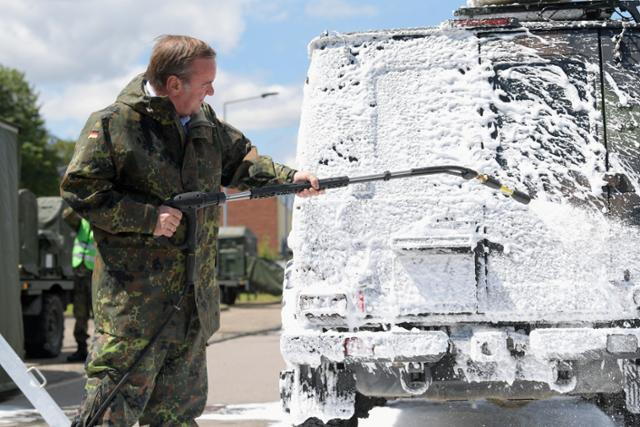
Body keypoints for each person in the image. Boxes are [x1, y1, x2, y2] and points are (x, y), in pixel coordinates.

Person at [60, 34, 320, 426]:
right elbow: (81, 191)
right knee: (111, 411)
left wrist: (291, 178)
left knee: (178, 415)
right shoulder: (115, 124)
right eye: (205, 83)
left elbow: (243, 163)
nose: (212, 91)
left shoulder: (204, 123)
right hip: (136, 309)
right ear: (174, 83)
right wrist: (149, 218)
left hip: (191, 304)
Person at [63, 208, 95, 363]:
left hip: (96, 275)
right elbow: (67, 215)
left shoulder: (104, 221)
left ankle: (98, 351)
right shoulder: (79, 222)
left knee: (100, 315)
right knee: (80, 314)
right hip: (80, 274)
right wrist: (82, 202)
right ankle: (81, 349)